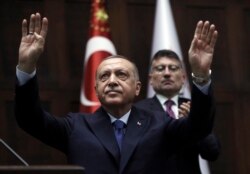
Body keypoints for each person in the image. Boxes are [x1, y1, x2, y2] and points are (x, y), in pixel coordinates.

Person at [15, 12, 217, 174]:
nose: (111, 81)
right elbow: (29, 119)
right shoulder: (75, 126)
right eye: (104, 77)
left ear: (137, 88)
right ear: (96, 90)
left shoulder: (161, 123)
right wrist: (26, 67)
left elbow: (199, 127)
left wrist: (200, 75)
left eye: (121, 74)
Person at [135, 49, 220, 174]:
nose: (167, 73)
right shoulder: (138, 111)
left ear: (183, 78)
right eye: (160, 68)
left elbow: (212, 153)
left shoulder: (195, 108)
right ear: (151, 79)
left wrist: (195, 123)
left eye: (173, 68)